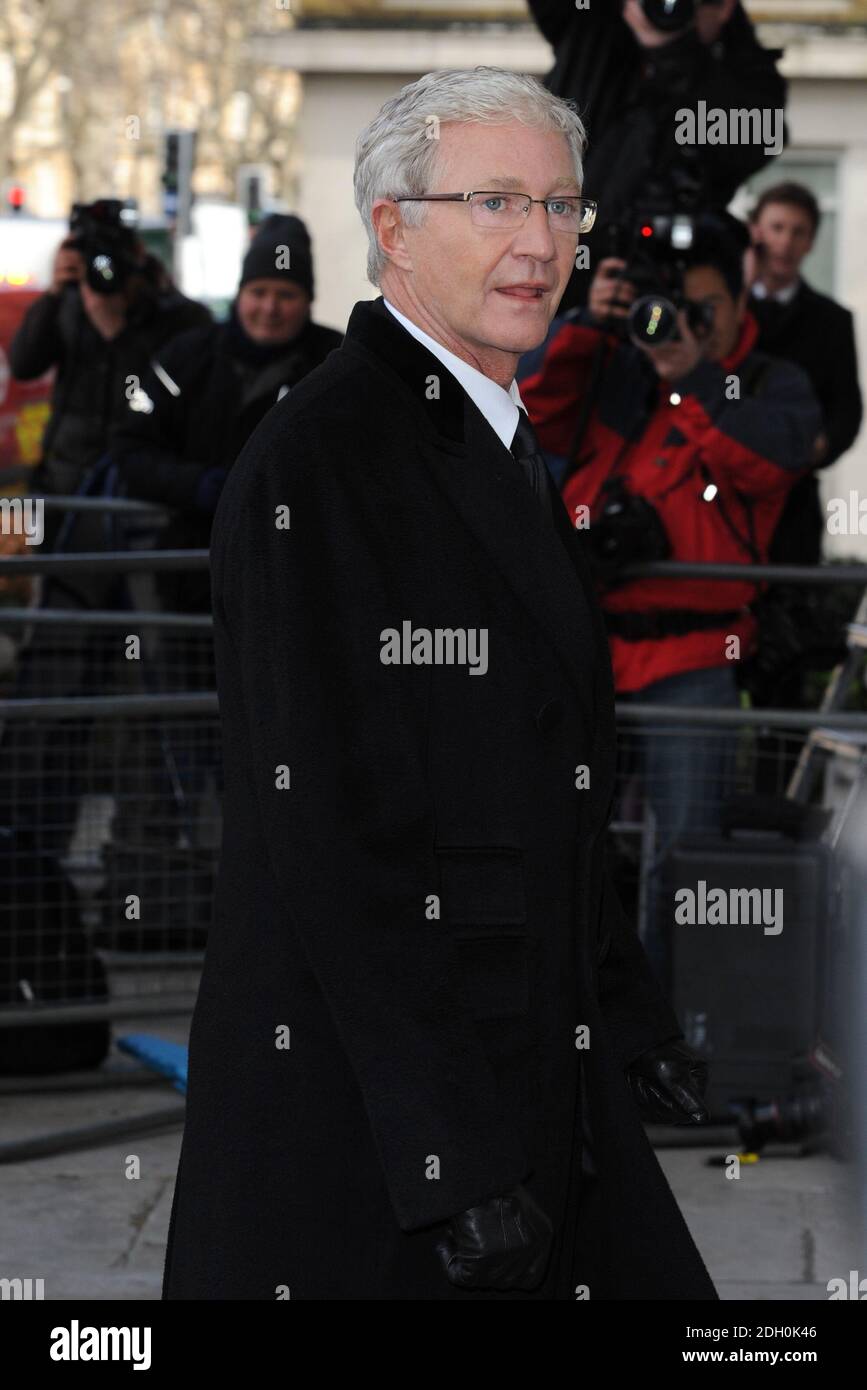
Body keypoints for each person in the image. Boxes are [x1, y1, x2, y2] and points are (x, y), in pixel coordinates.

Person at [162, 66, 716, 1302]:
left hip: (528, 1065)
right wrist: (450, 1156)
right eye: (498, 202)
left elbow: (541, 781)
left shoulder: (492, 432)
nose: (542, 243)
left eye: (565, 208)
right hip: (387, 1119)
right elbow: (336, 838)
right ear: (394, 228)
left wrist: (624, 1016)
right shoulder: (325, 460)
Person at [517, 218, 822, 988]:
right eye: (668, 306)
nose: (680, 325)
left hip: (696, 658)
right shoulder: (617, 368)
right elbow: (533, 410)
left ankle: (666, 1037)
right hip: (591, 647)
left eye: (703, 309)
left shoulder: (767, 384)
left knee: (682, 858)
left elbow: (765, 466)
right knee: (553, 840)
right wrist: (589, 320)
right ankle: (565, 1020)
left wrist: (689, 378)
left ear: (738, 298)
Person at [107, 214, 342, 846]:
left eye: (286, 295)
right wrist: (200, 488)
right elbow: (130, 446)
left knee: (284, 743)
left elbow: (364, 464)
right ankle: (195, 862)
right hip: (190, 596)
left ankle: (280, 864)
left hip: (295, 602)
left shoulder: (337, 365)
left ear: (307, 299)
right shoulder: (186, 357)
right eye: (259, 292)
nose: (269, 308)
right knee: (188, 736)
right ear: (240, 294)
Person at [528, 0, 788, 312]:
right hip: (559, 283)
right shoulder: (592, 29)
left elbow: (754, 140)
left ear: (723, 8)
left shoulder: (745, 75)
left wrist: (674, 52)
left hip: (671, 290)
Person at [746, 181, 863, 565]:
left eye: (799, 232)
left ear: (811, 242)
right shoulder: (721, 309)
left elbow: (846, 407)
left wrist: (817, 447)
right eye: (777, 228)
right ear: (756, 232)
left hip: (791, 506)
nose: (786, 242)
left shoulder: (832, 322)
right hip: (717, 498)